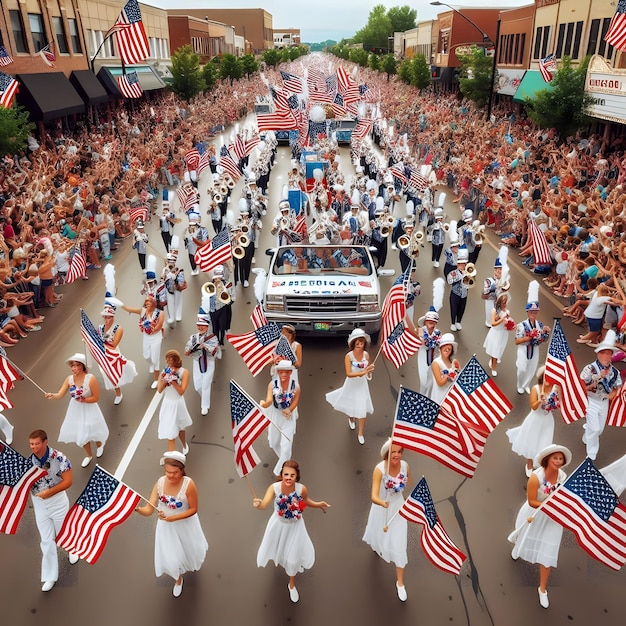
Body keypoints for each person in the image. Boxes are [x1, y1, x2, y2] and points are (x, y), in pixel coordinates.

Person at [253, 460, 330, 603]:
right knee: (277, 548)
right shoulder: (274, 488)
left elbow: (306, 501)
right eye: (286, 474)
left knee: (293, 556)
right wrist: (258, 505)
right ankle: (279, 558)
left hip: (295, 527)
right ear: (281, 474)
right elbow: (264, 504)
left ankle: (292, 584)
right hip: (278, 526)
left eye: (292, 475)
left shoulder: (302, 489)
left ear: (297, 476)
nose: (288, 477)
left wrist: (318, 504)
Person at [135, 451, 208, 597]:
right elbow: (149, 510)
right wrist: (137, 509)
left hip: (185, 524)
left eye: (174, 472)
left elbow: (194, 509)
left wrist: (173, 518)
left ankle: (186, 564)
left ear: (182, 470)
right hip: (166, 528)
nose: (170, 475)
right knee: (171, 557)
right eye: (167, 471)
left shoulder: (189, 484)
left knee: (189, 550)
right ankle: (178, 579)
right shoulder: (160, 482)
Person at [508, 444, 572, 609]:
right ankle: (518, 548)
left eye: (560, 459)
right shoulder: (536, 478)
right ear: (547, 460)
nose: (558, 461)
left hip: (553, 518)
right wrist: (548, 505)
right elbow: (532, 501)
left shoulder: (563, 476)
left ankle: (542, 589)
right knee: (525, 536)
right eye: (555, 458)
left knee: (548, 553)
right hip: (535, 514)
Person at [362, 439, 412, 601]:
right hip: (382, 508)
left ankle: (400, 583)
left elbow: (409, 482)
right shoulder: (379, 470)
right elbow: (373, 495)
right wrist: (382, 502)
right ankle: (377, 545)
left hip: (398, 509)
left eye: (399, 451)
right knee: (379, 534)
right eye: (393, 452)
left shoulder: (404, 466)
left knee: (399, 544)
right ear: (386, 454)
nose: (397, 455)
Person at [28, 429, 77, 592]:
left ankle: (72, 549)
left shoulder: (59, 458)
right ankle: (49, 576)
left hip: (57, 502)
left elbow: (68, 481)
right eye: (31, 444)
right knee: (46, 541)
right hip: (39, 505)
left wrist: (48, 492)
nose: (33, 447)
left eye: (36, 444)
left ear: (45, 442)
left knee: (63, 533)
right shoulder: (29, 462)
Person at [45, 353, 109, 468]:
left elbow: (96, 398)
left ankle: (100, 445)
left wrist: (83, 399)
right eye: (72, 366)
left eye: (77, 365)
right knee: (81, 431)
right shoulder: (69, 379)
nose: (74, 368)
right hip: (76, 409)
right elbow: (60, 394)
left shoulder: (91, 378)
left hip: (89, 407)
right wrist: (52, 395)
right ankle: (89, 455)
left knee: (94, 429)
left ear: (83, 366)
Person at [506, 367, 561, 476]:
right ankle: (529, 465)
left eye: (549, 378)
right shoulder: (535, 389)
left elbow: (557, 406)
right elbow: (533, 407)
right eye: (544, 377)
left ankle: (539, 464)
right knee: (531, 443)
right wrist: (540, 400)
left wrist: (558, 397)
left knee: (544, 444)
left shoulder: (555, 389)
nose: (546, 380)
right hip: (535, 420)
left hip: (548, 422)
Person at [325, 328, 375, 445]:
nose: (359, 345)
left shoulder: (366, 355)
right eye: (357, 343)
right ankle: (351, 418)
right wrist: (362, 372)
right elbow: (349, 373)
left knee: (362, 408)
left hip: (362, 385)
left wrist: (369, 371)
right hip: (351, 384)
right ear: (353, 343)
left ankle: (360, 433)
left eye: (361, 343)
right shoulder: (348, 356)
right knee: (352, 403)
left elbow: (368, 373)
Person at [580, 330, 622, 460]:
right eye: (603, 352)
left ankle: (588, 432)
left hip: (604, 402)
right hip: (591, 400)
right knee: (595, 427)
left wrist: (613, 393)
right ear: (598, 354)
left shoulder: (615, 372)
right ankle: (592, 454)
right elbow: (583, 382)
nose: (605, 355)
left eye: (608, 352)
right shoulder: (590, 368)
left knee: (599, 430)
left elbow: (617, 386)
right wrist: (598, 377)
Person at [259, 360, 300, 476]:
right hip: (275, 416)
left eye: (285, 372)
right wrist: (263, 404)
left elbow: (295, 401)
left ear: (289, 373)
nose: (283, 375)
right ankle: (286, 461)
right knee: (273, 443)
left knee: (286, 447)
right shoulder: (272, 385)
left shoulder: (295, 386)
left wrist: (289, 410)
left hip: (288, 419)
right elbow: (269, 401)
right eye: (281, 372)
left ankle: (279, 472)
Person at [97, 301, 138, 405]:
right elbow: (96, 338)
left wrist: (101, 344)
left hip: (113, 355)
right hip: (103, 355)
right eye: (105, 317)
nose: (106, 319)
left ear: (113, 317)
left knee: (113, 373)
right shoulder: (100, 328)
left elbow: (113, 345)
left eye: (109, 317)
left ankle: (118, 393)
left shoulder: (118, 329)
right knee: (104, 372)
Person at [122, 294, 165, 389]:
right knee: (146, 356)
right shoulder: (142, 311)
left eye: (149, 302)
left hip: (156, 337)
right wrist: (119, 304)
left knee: (155, 358)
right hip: (146, 337)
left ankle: (156, 379)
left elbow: (159, 325)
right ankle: (151, 364)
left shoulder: (160, 313)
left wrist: (152, 329)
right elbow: (129, 309)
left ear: (154, 303)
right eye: (146, 302)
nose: (147, 304)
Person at [515, 282, 550, 395]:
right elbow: (517, 341)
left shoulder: (540, 324)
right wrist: (528, 337)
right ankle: (519, 384)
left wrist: (545, 333)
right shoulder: (521, 325)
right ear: (527, 312)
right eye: (531, 312)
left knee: (532, 368)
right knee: (522, 369)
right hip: (523, 348)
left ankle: (526, 384)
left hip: (534, 349)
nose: (533, 314)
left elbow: (543, 340)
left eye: (535, 312)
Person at [184, 309, 220, 415]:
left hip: (208, 362)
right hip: (197, 362)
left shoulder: (212, 337)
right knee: (197, 386)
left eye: (202, 325)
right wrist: (190, 349)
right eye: (198, 325)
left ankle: (205, 406)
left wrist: (205, 346)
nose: (200, 327)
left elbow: (214, 350)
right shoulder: (193, 337)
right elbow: (186, 350)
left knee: (205, 384)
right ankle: (205, 396)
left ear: (207, 326)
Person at [157, 349, 193, 453]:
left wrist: (173, 381)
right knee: (170, 430)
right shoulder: (164, 372)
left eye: (171, 360)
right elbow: (159, 390)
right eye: (167, 360)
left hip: (178, 403)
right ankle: (172, 457)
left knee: (180, 426)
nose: (169, 363)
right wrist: (165, 379)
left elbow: (181, 391)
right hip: (167, 403)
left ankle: (184, 444)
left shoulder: (184, 372)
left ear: (176, 360)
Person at [483, 293, 514, 377]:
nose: (505, 304)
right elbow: (493, 323)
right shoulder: (494, 311)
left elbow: (507, 322)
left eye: (506, 302)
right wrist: (502, 318)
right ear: (499, 302)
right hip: (496, 333)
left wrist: (510, 325)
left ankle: (493, 360)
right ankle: (493, 368)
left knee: (498, 350)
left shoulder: (507, 311)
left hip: (503, 333)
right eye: (504, 302)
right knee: (495, 351)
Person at [430, 333, 460, 405]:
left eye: (449, 349)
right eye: (445, 348)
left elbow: (458, 377)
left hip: (450, 395)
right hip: (439, 397)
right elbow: (440, 383)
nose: (447, 350)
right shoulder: (436, 363)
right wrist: (448, 376)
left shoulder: (452, 362)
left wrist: (457, 368)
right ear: (440, 348)